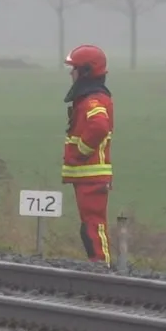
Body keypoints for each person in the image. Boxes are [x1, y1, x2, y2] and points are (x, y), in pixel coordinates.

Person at [62, 44, 114, 264]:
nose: (70, 73)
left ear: (85, 71)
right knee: (90, 225)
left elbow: (100, 126)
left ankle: (102, 269)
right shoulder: (88, 98)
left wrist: (81, 151)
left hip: (91, 175)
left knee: (93, 224)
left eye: (73, 68)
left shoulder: (93, 99)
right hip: (87, 175)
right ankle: (98, 266)